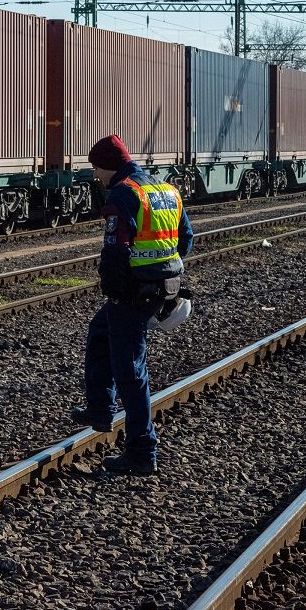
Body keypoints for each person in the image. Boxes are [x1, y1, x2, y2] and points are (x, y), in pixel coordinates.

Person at [70, 134, 194, 476]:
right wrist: (162, 267)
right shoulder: (165, 189)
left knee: (131, 371)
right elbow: (186, 239)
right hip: (163, 287)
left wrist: (114, 287)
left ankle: (141, 450)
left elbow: (115, 250)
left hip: (134, 292)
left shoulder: (124, 193)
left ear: (109, 166)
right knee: (100, 330)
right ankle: (101, 408)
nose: (96, 176)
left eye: (97, 169)